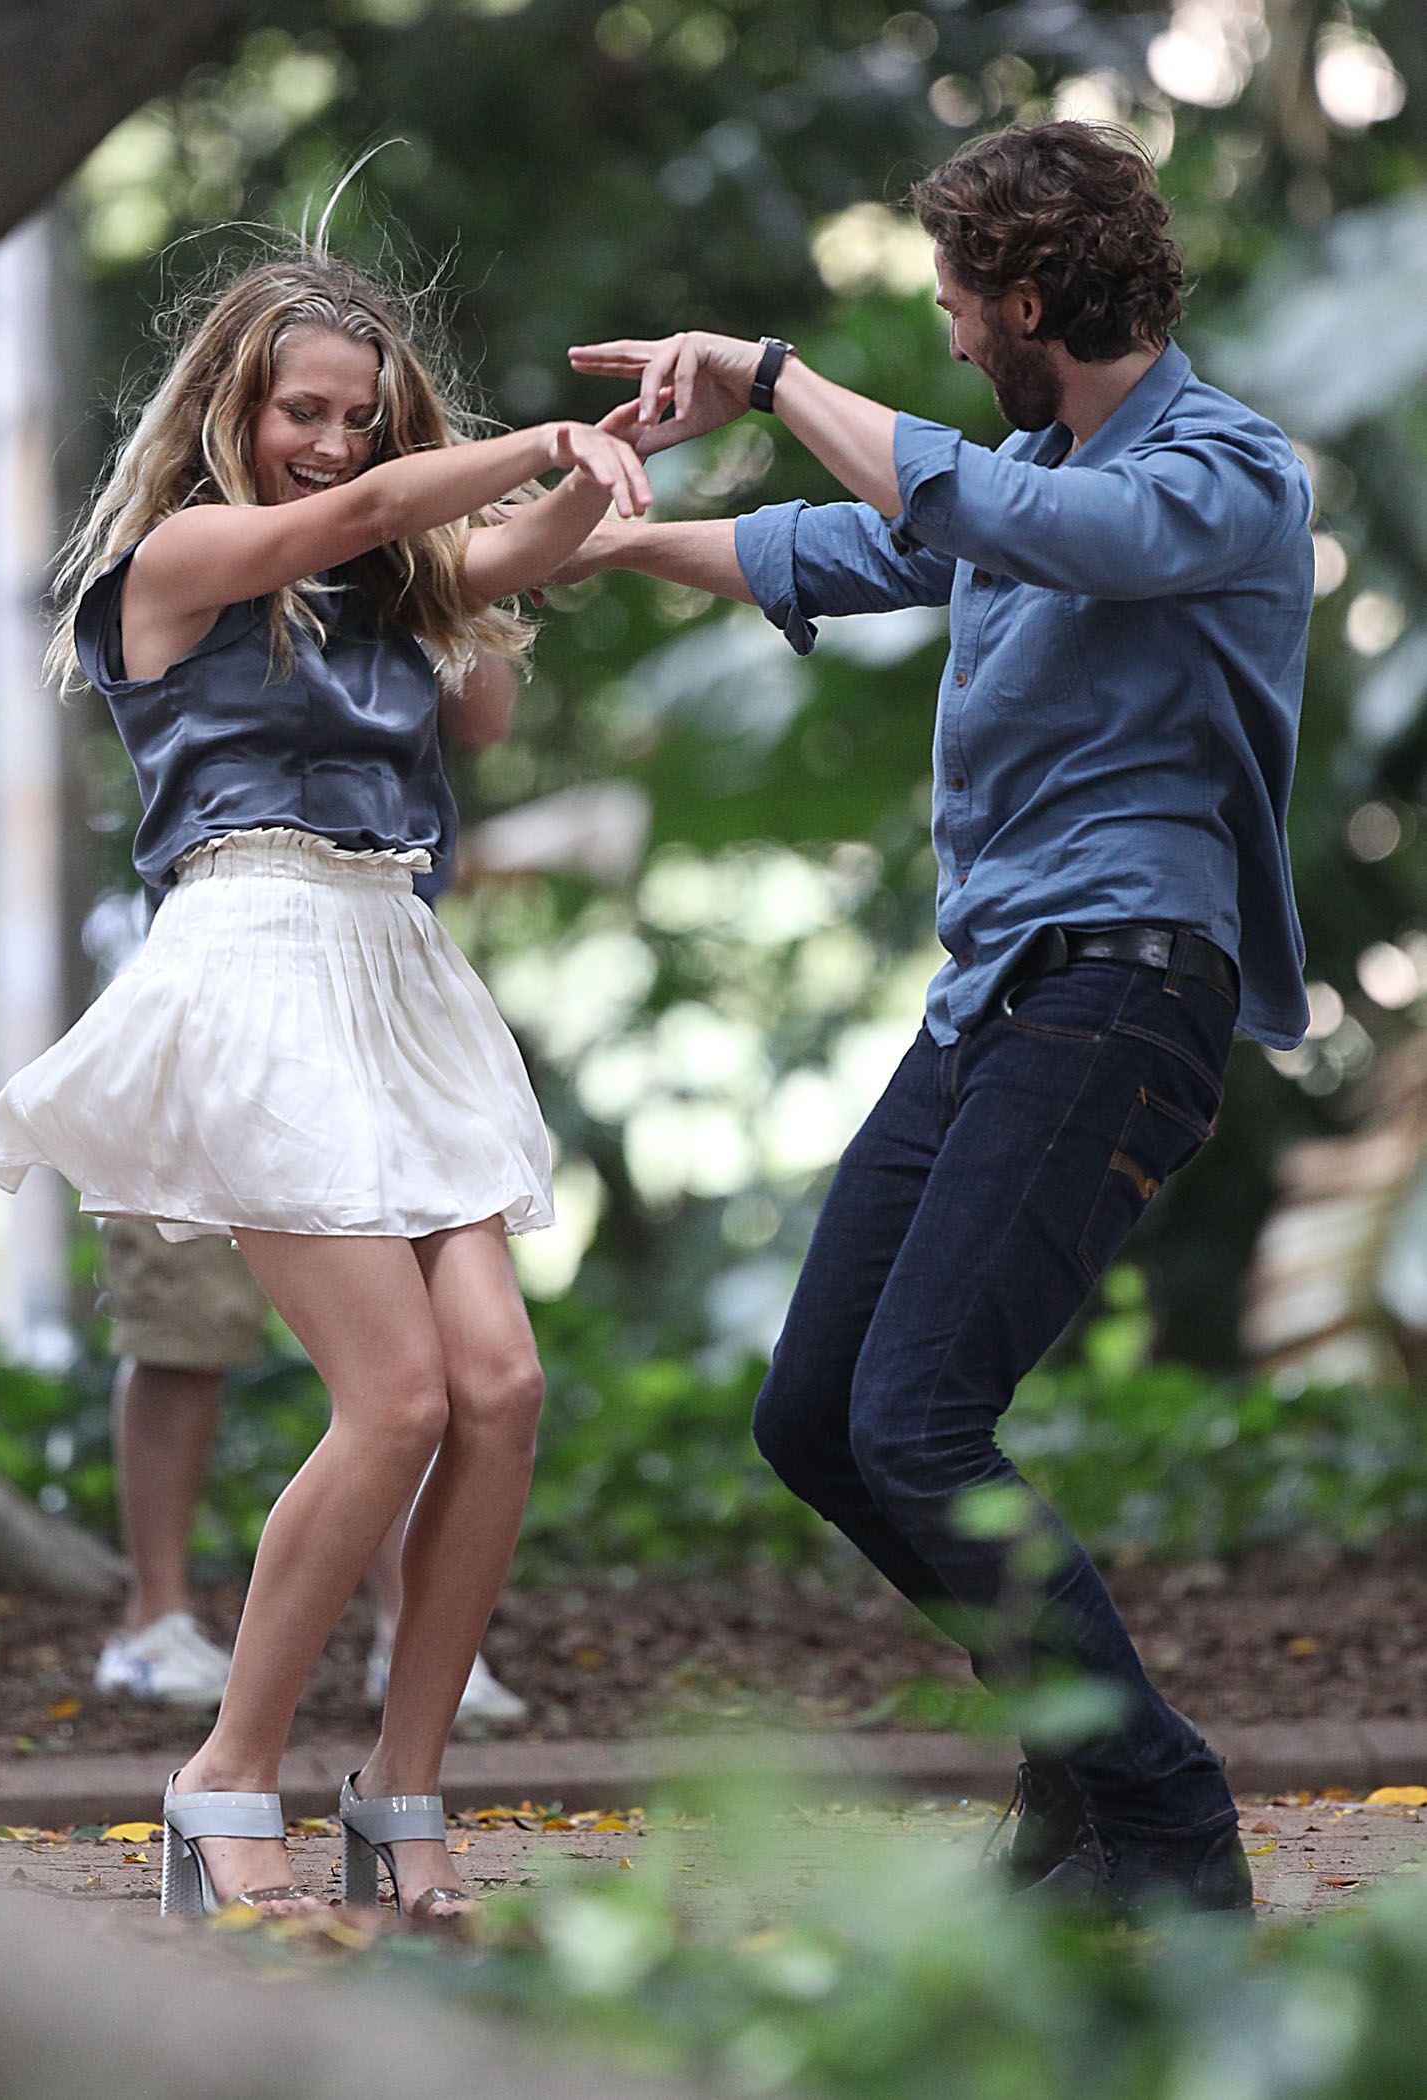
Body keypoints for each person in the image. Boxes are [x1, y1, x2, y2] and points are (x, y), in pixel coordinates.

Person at [563, 120, 1314, 1919]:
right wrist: (609, 544)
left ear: (1030, 299)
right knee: (817, 1414)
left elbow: (1012, 524)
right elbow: (853, 544)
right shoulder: (1030, 462)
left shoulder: (1224, 473)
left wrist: (769, 375)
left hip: (1127, 983)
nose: (953, 332)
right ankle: (1081, 1772)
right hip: (997, 995)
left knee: (916, 1419)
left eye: (961, 301)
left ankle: (1166, 1819)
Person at [0, 240, 655, 1921]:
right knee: (397, 1400)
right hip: (254, 960)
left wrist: (621, 448)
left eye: (360, 418)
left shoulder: (391, 585)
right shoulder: (182, 554)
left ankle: (401, 1788)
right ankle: (226, 1773)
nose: (335, 443)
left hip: (396, 966)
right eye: (306, 410)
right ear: (235, 408)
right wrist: (530, 443)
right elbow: (369, 515)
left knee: (498, 1388)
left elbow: (514, 554)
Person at [93, 650, 528, 1729]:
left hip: (388, 982)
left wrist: (464, 574)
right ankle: (158, 1626)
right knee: (189, 1329)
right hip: (232, 976)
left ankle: (405, 1640)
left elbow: (485, 714)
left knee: (436, 1379)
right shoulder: (215, 567)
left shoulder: (411, 572)